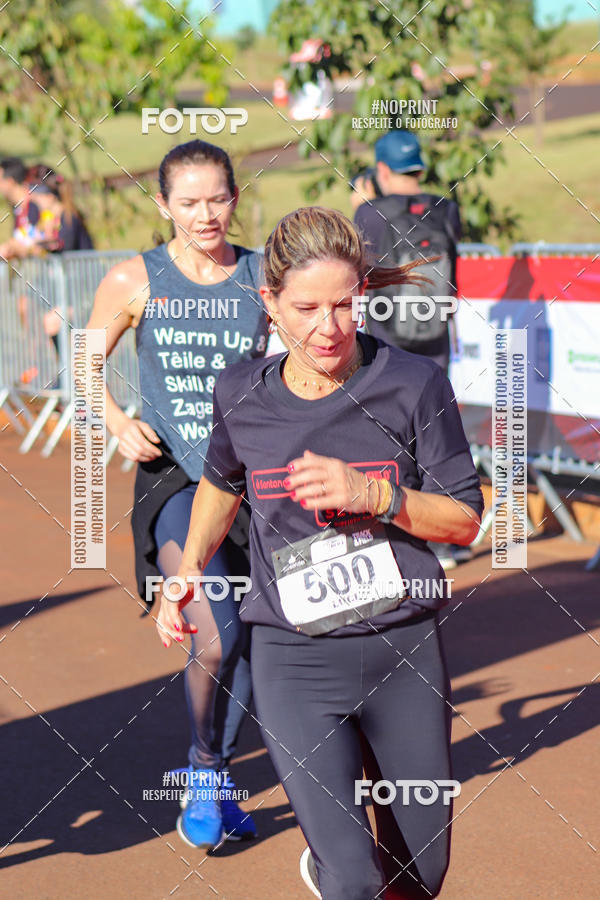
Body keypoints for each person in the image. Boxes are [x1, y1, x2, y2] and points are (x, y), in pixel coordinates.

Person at [156, 207, 483, 899]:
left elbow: (465, 521)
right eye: (306, 307)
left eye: (344, 304)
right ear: (269, 301)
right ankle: (334, 870)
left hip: (403, 651)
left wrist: (378, 496)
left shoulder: (413, 384)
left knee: (419, 873)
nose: (328, 327)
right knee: (354, 878)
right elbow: (220, 482)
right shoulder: (240, 393)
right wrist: (186, 572)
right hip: (294, 656)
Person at [86, 139, 268, 850]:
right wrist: (115, 419)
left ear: (234, 198)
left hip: (256, 485)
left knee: (252, 640)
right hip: (175, 481)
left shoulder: (261, 275)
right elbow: (83, 356)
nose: (204, 215)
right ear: (163, 205)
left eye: (217, 198)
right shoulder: (137, 277)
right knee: (215, 638)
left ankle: (216, 779)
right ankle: (201, 770)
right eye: (188, 202)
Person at [354, 130, 469, 570]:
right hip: (435, 341)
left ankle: (396, 533)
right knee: (436, 433)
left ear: (382, 170)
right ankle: (445, 540)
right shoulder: (449, 208)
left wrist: (360, 207)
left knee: (388, 436)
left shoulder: (370, 213)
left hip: (387, 345)